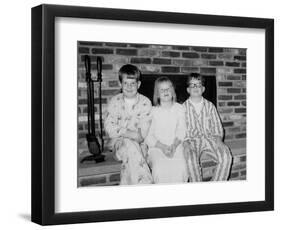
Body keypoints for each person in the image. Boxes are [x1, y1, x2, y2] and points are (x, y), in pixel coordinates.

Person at [104, 64, 153, 185]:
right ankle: (145, 183)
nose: (129, 87)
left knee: (130, 159)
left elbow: (141, 135)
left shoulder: (145, 102)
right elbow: (109, 127)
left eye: (133, 83)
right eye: (126, 83)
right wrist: (129, 133)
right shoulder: (114, 101)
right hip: (118, 145)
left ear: (139, 84)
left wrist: (122, 131)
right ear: (120, 84)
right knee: (130, 146)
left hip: (141, 146)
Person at [183, 73, 232, 182]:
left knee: (226, 156)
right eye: (192, 85)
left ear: (203, 89)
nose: (196, 87)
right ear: (188, 90)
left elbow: (217, 125)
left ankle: (215, 186)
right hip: (192, 140)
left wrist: (219, 140)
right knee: (190, 160)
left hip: (210, 138)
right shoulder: (183, 108)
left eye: (199, 85)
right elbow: (181, 129)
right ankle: (198, 187)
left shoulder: (210, 106)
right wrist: (185, 144)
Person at [145, 77, 188, 183]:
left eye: (168, 88)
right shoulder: (153, 112)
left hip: (176, 145)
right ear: (157, 94)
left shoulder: (180, 108)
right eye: (162, 89)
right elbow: (148, 136)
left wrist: (174, 146)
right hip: (157, 147)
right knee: (159, 170)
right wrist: (163, 147)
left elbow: (182, 129)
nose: (165, 91)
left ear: (173, 91)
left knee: (181, 168)